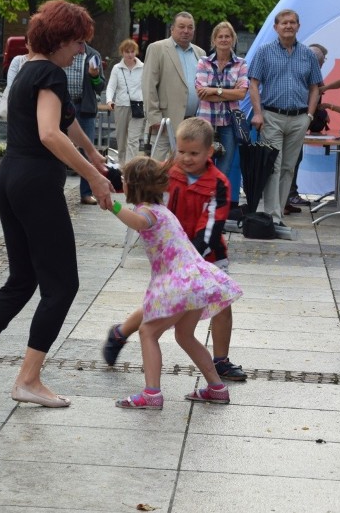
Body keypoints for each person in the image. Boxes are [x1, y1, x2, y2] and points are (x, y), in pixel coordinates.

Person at [0, 0, 113, 408]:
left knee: (23, 278)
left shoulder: (29, 68)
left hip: (10, 176)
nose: (81, 51)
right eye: (78, 42)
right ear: (61, 38)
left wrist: (94, 154)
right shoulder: (51, 73)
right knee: (62, 285)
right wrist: (93, 177)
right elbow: (49, 132)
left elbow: (65, 120)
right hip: (37, 181)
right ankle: (28, 379)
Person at [104, 117, 246, 380]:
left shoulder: (219, 183)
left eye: (194, 153)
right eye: (181, 152)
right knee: (162, 306)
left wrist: (192, 259)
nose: (187, 158)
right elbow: (137, 177)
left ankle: (221, 360)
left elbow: (212, 226)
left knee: (221, 306)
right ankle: (121, 332)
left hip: (207, 253)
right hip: (174, 256)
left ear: (209, 152)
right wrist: (108, 176)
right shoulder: (169, 171)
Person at [247, 9, 322, 225]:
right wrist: (258, 113)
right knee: (273, 166)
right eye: (284, 23)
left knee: (289, 168)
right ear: (276, 27)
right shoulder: (264, 52)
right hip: (271, 116)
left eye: (292, 22)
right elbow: (253, 84)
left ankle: (278, 213)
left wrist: (309, 115)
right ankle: (272, 215)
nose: (288, 26)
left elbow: (315, 87)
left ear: (298, 26)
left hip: (299, 118)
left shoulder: (308, 54)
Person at [195, 21, 249, 211]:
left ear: (233, 39)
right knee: (202, 165)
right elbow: (200, 91)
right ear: (214, 40)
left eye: (227, 36)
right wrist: (227, 92)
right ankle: (201, 205)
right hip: (205, 123)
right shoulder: (203, 62)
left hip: (229, 123)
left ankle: (216, 210)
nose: (224, 40)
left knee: (223, 170)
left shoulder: (241, 64)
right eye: (220, 36)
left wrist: (214, 91)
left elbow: (242, 93)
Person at [142, 12, 206, 159]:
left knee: (184, 168)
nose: (186, 31)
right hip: (165, 123)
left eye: (190, 27)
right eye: (181, 27)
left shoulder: (200, 53)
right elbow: (148, 85)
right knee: (158, 169)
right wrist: (154, 117)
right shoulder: (157, 48)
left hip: (192, 123)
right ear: (172, 29)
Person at [286, 43, 329, 213]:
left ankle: (288, 197)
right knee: (291, 160)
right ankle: (288, 196)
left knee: (294, 160)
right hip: (296, 122)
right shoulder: (308, 76)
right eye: (322, 62)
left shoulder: (310, 76)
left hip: (300, 122)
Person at [64, 40, 106, 205]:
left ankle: (86, 193)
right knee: (59, 147)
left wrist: (94, 76)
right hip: (63, 104)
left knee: (87, 150)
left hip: (84, 107)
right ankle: (55, 190)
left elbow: (100, 87)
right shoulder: (63, 50)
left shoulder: (93, 54)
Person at [105, 38, 145, 164]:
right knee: (121, 140)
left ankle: (130, 167)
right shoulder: (117, 68)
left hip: (138, 106)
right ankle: (122, 166)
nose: (130, 54)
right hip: (121, 106)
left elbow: (147, 86)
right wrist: (109, 100)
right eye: (127, 52)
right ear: (122, 52)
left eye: (132, 51)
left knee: (133, 140)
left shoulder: (143, 67)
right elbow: (111, 86)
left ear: (136, 52)